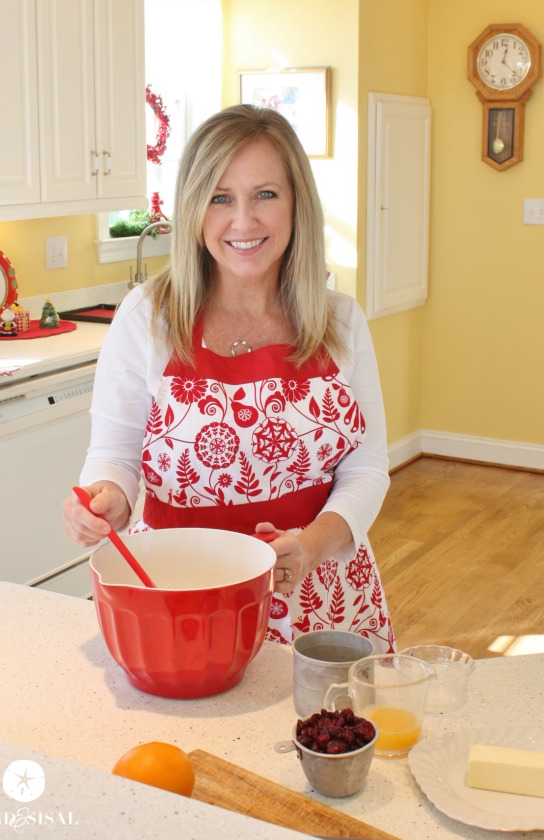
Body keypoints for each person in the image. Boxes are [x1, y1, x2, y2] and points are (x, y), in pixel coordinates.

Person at [63, 104, 395, 652]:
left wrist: (310, 545)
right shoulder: (148, 318)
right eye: (220, 198)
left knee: (329, 732)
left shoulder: (339, 321)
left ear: (296, 205)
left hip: (319, 594)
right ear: (194, 209)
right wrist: (107, 500)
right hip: (179, 594)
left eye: (266, 194)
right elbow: (114, 457)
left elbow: (368, 468)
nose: (244, 221)